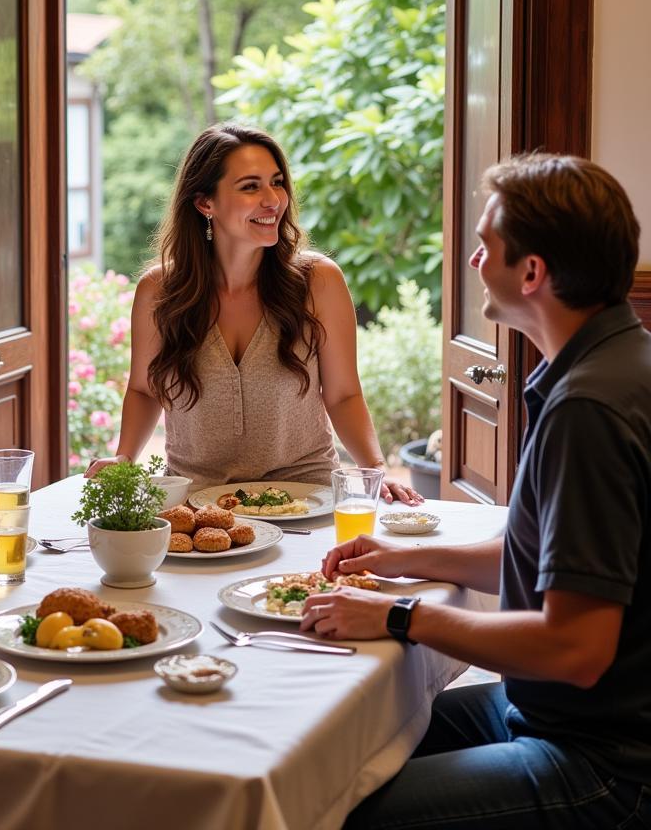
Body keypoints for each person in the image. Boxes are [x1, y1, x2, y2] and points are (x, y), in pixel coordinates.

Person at [301, 154, 651, 829]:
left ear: (531, 273)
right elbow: (538, 554)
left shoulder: (591, 409)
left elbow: (578, 650)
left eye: (484, 244)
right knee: (335, 746)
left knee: (338, 812)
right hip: (548, 712)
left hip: (605, 765)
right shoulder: (612, 365)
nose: (471, 261)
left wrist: (403, 616)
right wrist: (400, 560)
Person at [87, 123, 420, 504]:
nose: (273, 199)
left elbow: (343, 394)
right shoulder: (159, 291)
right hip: (196, 505)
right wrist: (124, 459)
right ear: (204, 203)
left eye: (276, 182)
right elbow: (145, 389)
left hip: (305, 500)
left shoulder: (319, 282)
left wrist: (375, 469)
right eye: (250, 186)